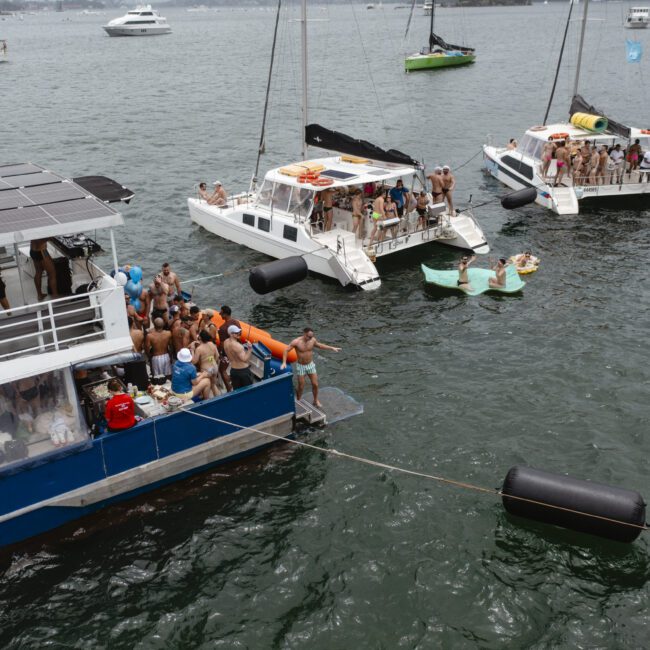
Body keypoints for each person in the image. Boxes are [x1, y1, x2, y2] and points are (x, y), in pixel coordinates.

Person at [281, 327, 341, 408]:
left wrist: (332, 348)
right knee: (301, 386)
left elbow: (320, 346)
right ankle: (298, 401)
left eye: (311, 336)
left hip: (310, 365)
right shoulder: (296, 342)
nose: (310, 338)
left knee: (315, 384)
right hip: (301, 366)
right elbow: (286, 350)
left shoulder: (312, 340)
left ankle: (315, 400)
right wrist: (284, 362)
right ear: (304, 334)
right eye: (308, 336)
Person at [223, 325, 254, 390]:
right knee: (248, 391)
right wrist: (250, 349)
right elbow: (244, 359)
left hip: (233, 371)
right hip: (243, 372)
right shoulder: (238, 346)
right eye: (236, 333)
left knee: (237, 391)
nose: (239, 334)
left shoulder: (225, 342)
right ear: (231, 334)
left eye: (239, 332)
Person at [191, 330, 221, 397]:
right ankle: (219, 399)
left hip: (206, 370)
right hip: (214, 367)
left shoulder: (199, 349)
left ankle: (206, 401)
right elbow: (217, 356)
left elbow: (194, 361)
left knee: (205, 387)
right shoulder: (212, 344)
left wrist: (192, 350)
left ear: (200, 338)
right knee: (213, 385)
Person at [217, 305, 239, 392]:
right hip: (237, 350)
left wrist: (219, 353)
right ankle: (232, 381)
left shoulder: (222, 328)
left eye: (221, 313)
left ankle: (229, 388)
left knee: (222, 370)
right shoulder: (236, 322)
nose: (220, 315)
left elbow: (222, 345)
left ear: (225, 314)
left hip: (227, 353)